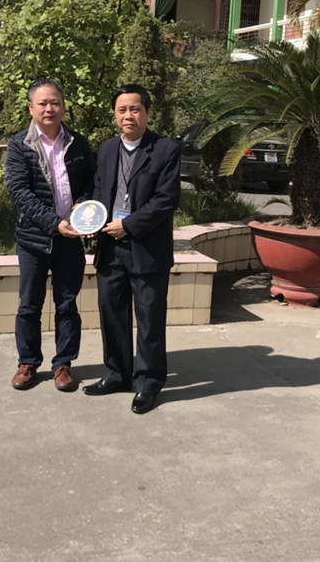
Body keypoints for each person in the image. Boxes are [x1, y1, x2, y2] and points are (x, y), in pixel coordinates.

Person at [82, 84, 181, 414]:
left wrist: (129, 225)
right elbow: (100, 189)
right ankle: (116, 374)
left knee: (150, 318)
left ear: (147, 113)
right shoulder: (108, 149)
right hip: (110, 246)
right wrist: (91, 218)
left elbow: (166, 200)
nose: (128, 116)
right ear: (115, 114)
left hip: (147, 248)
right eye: (122, 110)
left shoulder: (165, 150)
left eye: (135, 109)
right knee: (112, 313)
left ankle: (148, 383)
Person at [4, 78, 95, 392]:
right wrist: (54, 223)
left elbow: (90, 182)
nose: (49, 108)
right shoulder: (20, 145)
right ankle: (28, 362)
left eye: (55, 102)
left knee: (67, 305)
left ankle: (63, 364)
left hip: (70, 239)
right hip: (33, 240)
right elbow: (20, 192)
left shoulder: (78, 143)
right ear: (30, 107)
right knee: (29, 305)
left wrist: (83, 207)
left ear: (63, 107)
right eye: (42, 103)